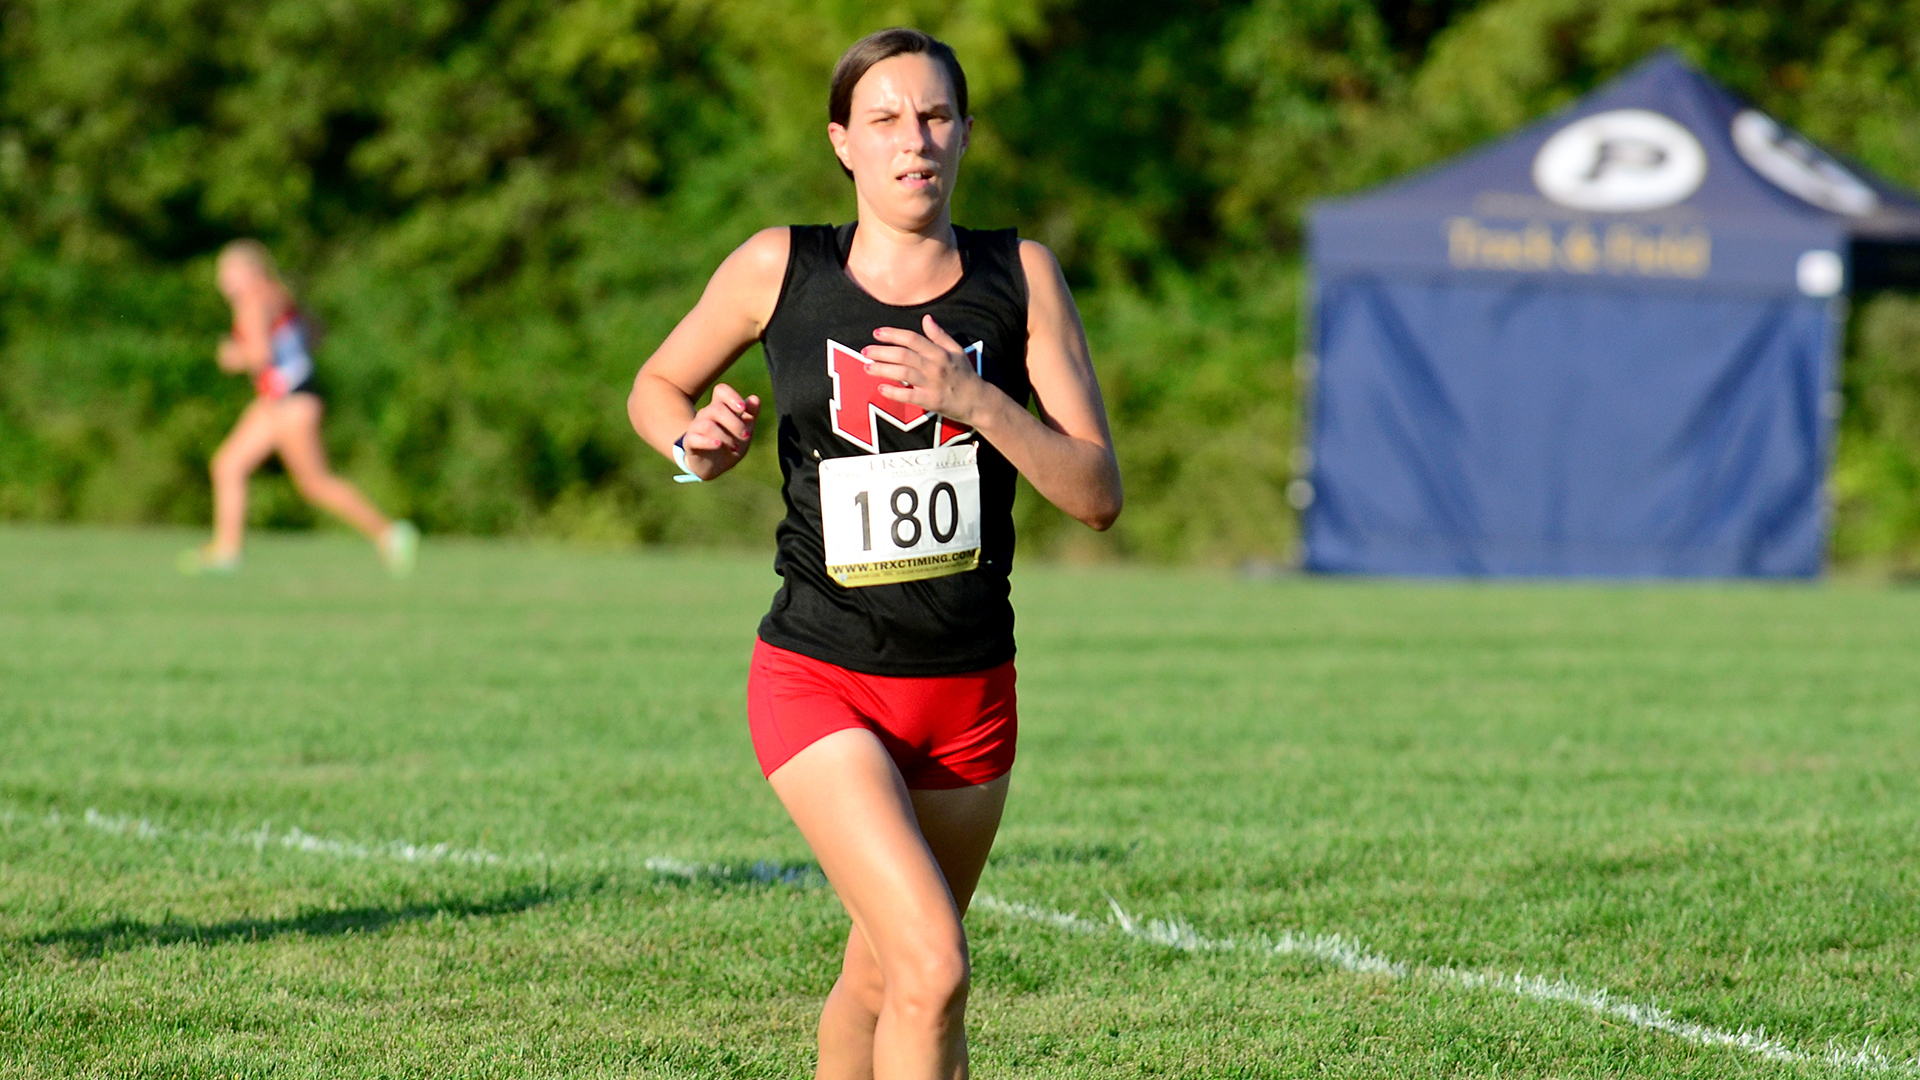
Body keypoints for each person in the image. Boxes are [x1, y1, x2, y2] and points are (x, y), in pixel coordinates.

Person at [626, 27, 1122, 1080]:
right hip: (820, 675)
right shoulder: (780, 266)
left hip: (969, 693)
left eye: (936, 117)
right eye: (887, 119)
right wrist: (692, 444)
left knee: (880, 980)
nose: (915, 141)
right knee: (933, 969)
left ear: (967, 134)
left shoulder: (1021, 275)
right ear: (843, 142)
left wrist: (976, 400)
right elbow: (656, 385)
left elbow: (1096, 494)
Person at [179, 239, 417, 576]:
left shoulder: (251, 302)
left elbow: (259, 356)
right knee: (228, 465)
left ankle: (390, 533)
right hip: (282, 399)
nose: (223, 282)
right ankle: (227, 550)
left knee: (315, 484)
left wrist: (233, 357)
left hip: (289, 403)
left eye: (228, 272)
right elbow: (316, 332)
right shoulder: (280, 296)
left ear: (252, 271)